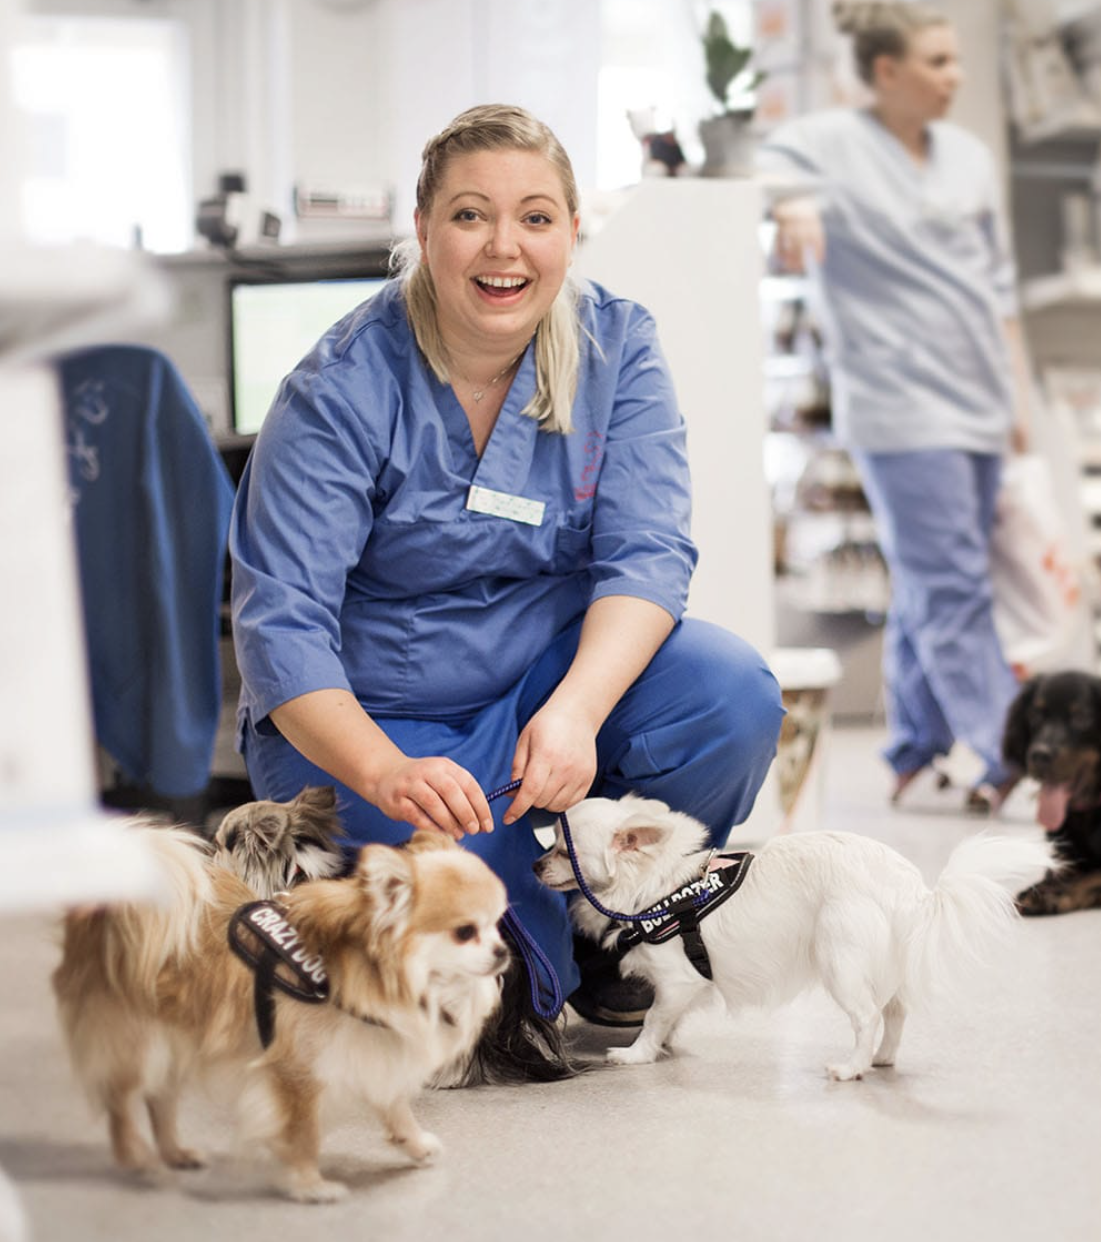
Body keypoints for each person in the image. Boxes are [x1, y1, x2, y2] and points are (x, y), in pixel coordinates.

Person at [229, 105, 784, 1060]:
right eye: (469, 215)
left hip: (543, 689)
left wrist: (575, 711)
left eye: (535, 217)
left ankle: (610, 931)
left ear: (572, 230)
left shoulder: (616, 348)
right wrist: (384, 770)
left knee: (729, 694)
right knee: (477, 938)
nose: (504, 247)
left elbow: (649, 556)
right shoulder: (341, 389)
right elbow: (282, 628)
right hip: (379, 722)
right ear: (423, 231)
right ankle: (537, 945)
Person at [757, 1, 1037, 814]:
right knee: (953, 583)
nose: (955, 77)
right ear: (886, 71)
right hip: (900, 405)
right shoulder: (826, 144)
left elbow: (1000, 285)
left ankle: (914, 742)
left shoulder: (968, 157)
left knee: (933, 576)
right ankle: (1010, 753)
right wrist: (792, 204)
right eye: (937, 62)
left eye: (955, 60)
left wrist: (1016, 393)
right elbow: (762, 169)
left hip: (978, 395)